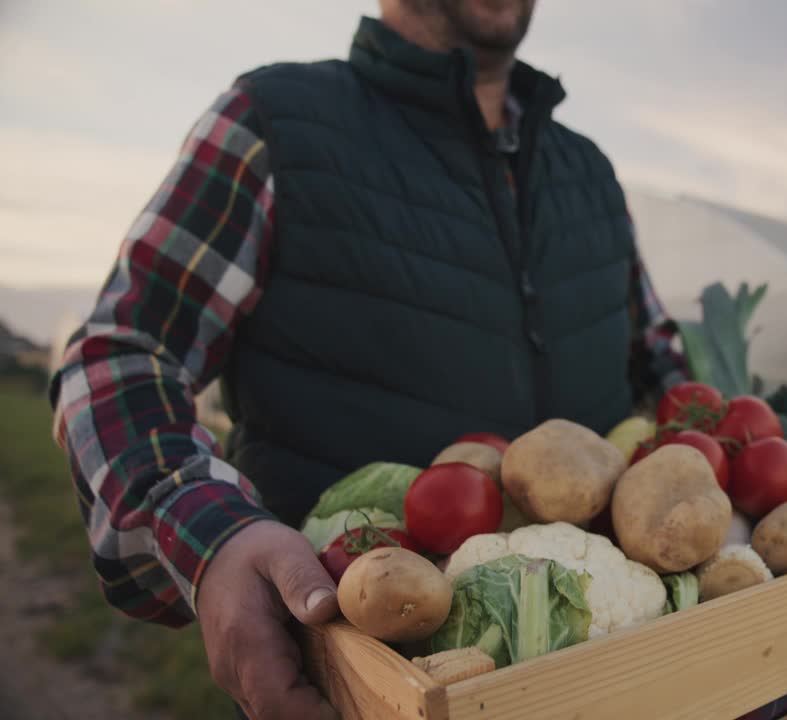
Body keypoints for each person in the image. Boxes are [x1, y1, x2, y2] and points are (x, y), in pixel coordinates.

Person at [48, 1, 685, 718]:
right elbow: (123, 359)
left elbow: (666, 372)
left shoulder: (589, 175)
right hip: (354, 685)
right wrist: (215, 540)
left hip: (624, 685)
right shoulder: (273, 122)